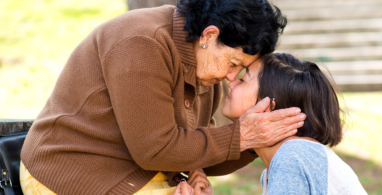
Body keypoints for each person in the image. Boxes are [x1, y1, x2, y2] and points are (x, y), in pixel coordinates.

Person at [20, 0, 306, 194]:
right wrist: (243, 136)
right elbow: (154, 148)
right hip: (73, 171)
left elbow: (199, 147)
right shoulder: (143, 44)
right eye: (233, 63)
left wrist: (259, 138)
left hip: (135, 168)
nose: (233, 77)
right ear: (209, 35)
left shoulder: (204, 64)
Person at [177, 53, 367, 195]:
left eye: (243, 79)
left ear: (267, 106)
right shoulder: (291, 157)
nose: (232, 81)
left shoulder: (292, 158)